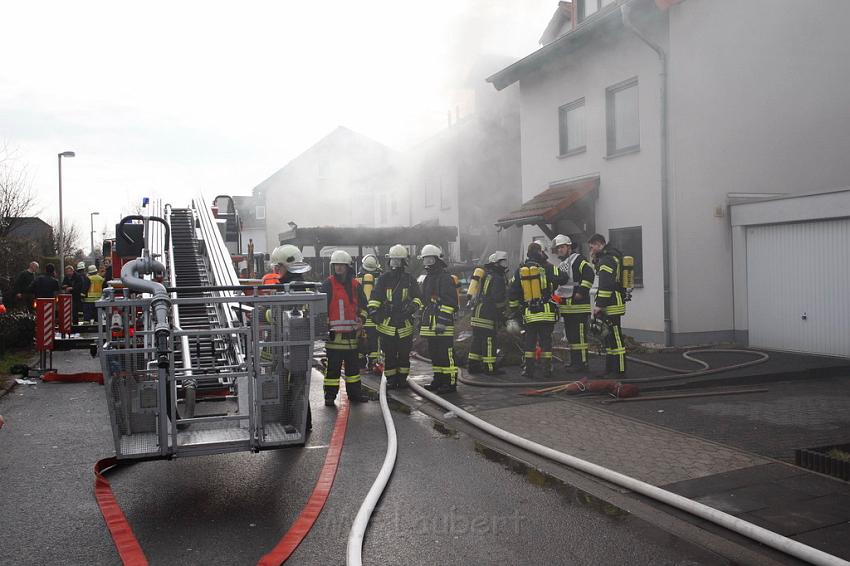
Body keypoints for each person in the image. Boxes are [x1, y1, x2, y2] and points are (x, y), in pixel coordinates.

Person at [508, 241, 569, 379]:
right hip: (546, 312)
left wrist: (515, 311)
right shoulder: (547, 267)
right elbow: (563, 278)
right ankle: (546, 370)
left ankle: (528, 370)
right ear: (540, 252)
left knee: (529, 342)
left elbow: (512, 292)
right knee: (545, 342)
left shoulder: (520, 270)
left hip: (529, 313)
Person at [368, 244, 422, 390]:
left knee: (404, 354)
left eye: (398, 261)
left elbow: (418, 297)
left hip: (405, 323)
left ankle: (403, 379)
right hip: (387, 323)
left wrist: (411, 308)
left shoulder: (409, 279)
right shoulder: (383, 279)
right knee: (389, 354)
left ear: (404, 262)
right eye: (394, 261)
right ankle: (391, 379)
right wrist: (374, 312)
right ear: (389, 261)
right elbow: (376, 297)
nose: (396, 264)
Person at [320, 250, 370, 406]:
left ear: (348, 267)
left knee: (353, 371)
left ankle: (355, 394)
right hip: (335, 337)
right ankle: (329, 396)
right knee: (332, 370)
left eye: (342, 265)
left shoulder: (355, 285)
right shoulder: (328, 284)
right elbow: (321, 308)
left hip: (352, 337)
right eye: (336, 265)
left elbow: (364, 307)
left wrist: (361, 319)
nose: (339, 268)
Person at [418, 244, 459, 393]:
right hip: (430, 325)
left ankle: (450, 383)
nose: (428, 263)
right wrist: (421, 322)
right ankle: (439, 379)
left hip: (443, 325)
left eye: (430, 259)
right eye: (425, 260)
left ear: (437, 259)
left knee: (445, 354)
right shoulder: (429, 278)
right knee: (435, 354)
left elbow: (450, 302)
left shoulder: (445, 278)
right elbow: (426, 302)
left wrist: (442, 321)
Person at [552, 235, 595, 372]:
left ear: (569, 247)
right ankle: (575, 362)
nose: (560, 250)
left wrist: (581, 292)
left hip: (579, 307)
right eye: (558, 248)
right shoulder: (563, 264)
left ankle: (582, 364)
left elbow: (589, 275)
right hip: (568, 309)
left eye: (562, 247)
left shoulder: (578, 260)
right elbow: (561, 288)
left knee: (580, 338)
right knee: (572, 337)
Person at [588, 233, 627, 377]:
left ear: (599, 244)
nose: (591, 250)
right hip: (611, 302)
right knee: (608, 338)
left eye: (592, 247)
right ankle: (610, 369)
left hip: (611, 304)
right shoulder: (608, 258)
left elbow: (605, 285)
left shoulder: (607, 260)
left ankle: (620, 370)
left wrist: (599, 305)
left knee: (616, 338)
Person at [467, 251, 510, 376]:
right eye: (502, 262)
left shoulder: (487, 275)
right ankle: (490, 367)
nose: (504, 264)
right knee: (490, 340)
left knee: (477, 339)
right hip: (488, 313)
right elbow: (498, 299)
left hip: (477, 312)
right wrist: (502, 315)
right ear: (495, 263)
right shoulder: (497, 278)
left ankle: (473, 366)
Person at [357, 253, 382, 371]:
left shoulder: (356, 280)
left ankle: (360, 363)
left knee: (359, 341)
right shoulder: (380, 280)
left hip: (360, 317)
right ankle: (374, 364)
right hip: (374, 318)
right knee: (374, 342)